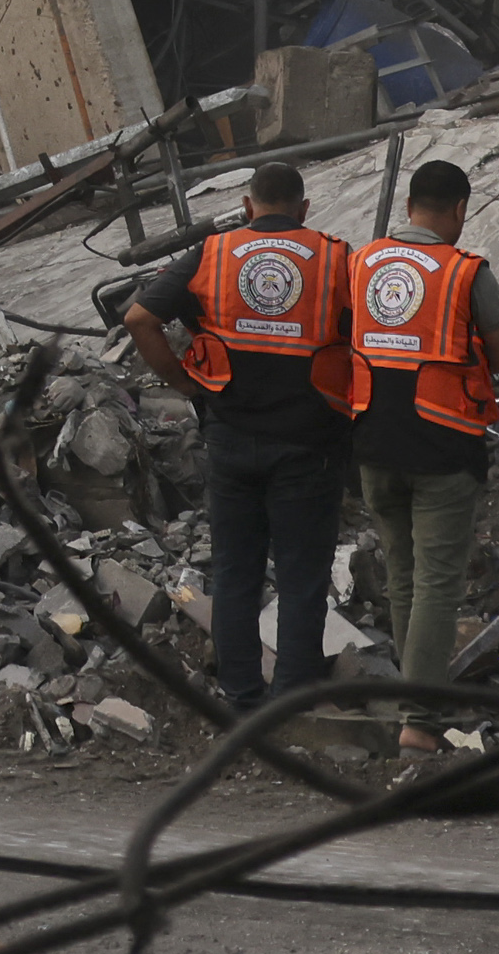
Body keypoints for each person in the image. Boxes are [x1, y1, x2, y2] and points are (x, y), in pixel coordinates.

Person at [125, 160, 358, 712]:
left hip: (230, 437)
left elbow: (139, 318)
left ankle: (242, 697)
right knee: (302, 575)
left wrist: (185, 383)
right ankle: (294, 700)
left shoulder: (211, 253)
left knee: (235, 571)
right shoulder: (337, 257)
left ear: (248, 206)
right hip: (310, 442)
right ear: (304, 209)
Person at [338, 160, 499, 754]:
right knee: (437, 584)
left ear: (409, 204)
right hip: (441, 446)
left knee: (403, 579)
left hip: (372, 444)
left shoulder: (360, 263)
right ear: (460, 210)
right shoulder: (466, 272)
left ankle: (412, 708)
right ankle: (419, 723)